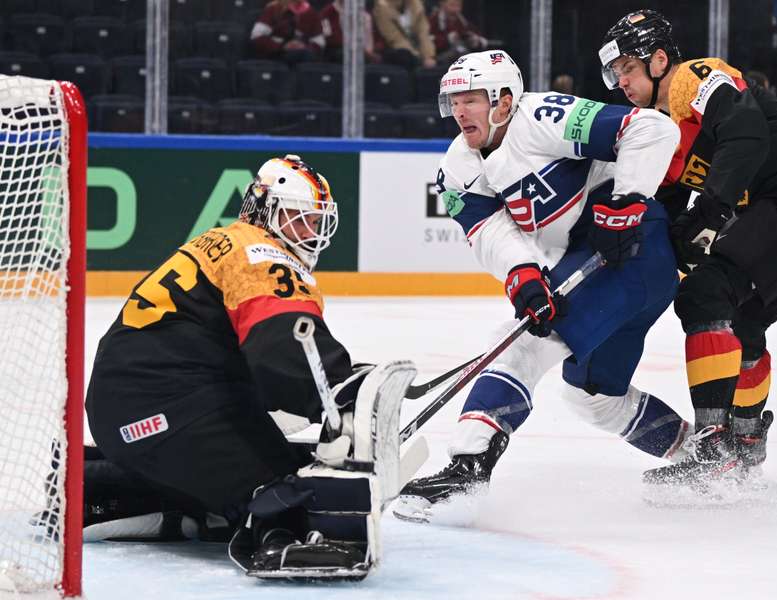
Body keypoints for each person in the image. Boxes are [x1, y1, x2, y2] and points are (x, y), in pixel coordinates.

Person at [392, 49, 692, 523]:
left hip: (631, 247)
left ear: (505, 101)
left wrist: (627, 199)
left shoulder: (543, 116)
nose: (459, 111)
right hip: (604, 267)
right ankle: (702, 460)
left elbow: (651, 128)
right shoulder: (456, 168)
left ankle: (468, 466)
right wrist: (522, 274)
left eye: (471, 99)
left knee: (523, 347)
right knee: (593, 397)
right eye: (453, 101)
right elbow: (489, 231)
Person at [83, 155, 417, 580]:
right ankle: (281, 535)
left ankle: (97, 488)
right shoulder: (259, 252)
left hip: (140, 404)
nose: (309, 232)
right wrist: (339, 391)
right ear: (266, 211)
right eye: (299, 219)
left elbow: (252, 364)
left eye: (315, 222)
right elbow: (282, 345)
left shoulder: (227, 241)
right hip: (161, 404)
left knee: (288, 459)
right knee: (289, 489)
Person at [599, 9, 777, 488]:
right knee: (740, 318)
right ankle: (743, 445)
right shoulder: (661, 128)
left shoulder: (694, 78)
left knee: (705, 295)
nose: (622, 83)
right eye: (616, 75)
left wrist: (713, 211)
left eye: (628, 70)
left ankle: (714, 446)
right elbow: (669, 207)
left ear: (660, 60)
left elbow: (746, 133)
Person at [250, 0, 326, 63]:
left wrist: (304, 47)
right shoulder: (273, 9)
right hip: (277, 55)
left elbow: (319, 42)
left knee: (306, 56)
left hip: (304, 55)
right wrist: (283, 46)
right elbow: (257, 36)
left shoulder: (311, 13)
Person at [372, 0, 437, 69]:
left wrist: (429, 56)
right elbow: (395, 38)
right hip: (393, 51)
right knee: (404, 57)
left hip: (417, 51)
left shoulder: (416, 3)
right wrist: (417, 57)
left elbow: (424, 33)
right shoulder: (381, 6)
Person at [428, 0, 488, 66]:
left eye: (458, 6)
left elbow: (479, 37)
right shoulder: (434, 20)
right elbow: (428, 40)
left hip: (464, 56)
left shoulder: (463, 21)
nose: (455, 9)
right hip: (442, 57)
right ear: (442, 4)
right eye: (452, 5)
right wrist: (447, 39)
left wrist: (474, 40)